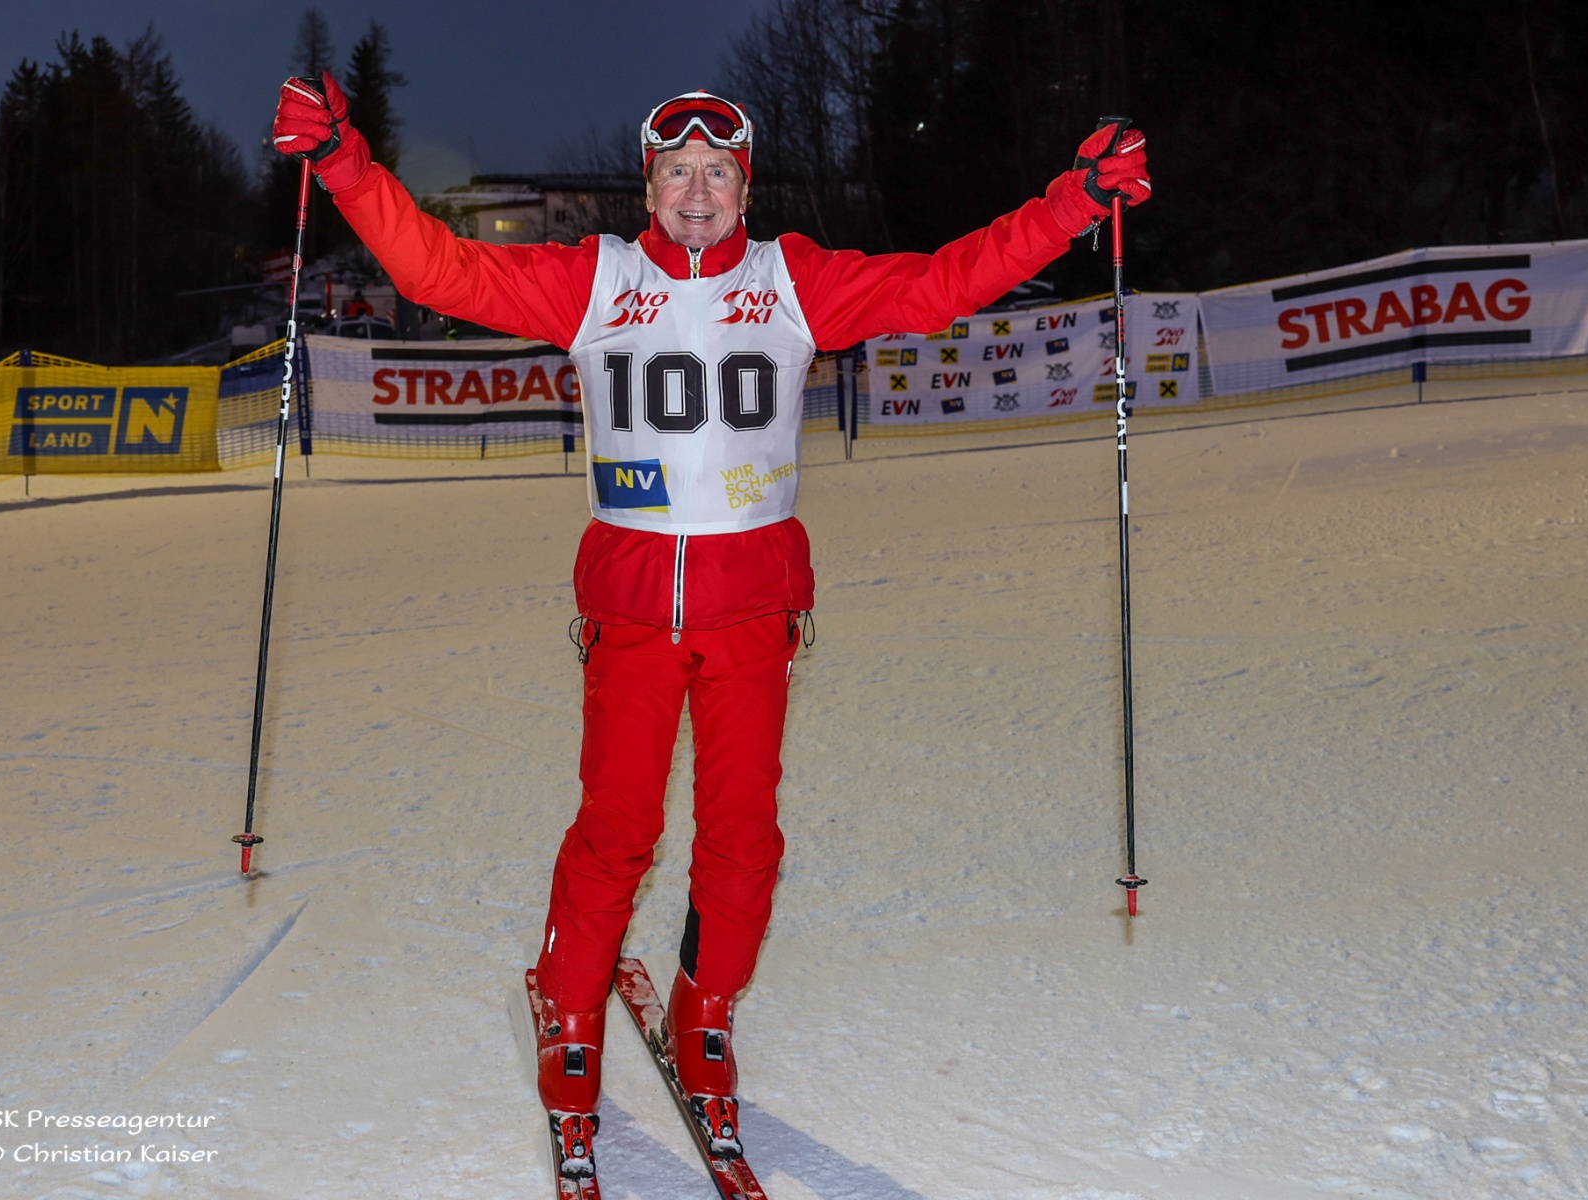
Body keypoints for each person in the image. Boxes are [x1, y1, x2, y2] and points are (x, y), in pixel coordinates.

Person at [273, 78, 1150, 1175]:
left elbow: (943, 283)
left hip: (750, 607)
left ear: (746, 187)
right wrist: (344, 162)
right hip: (633, 606)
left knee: (744, 835)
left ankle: (707, 1008)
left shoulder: (792, 281)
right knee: (619, 828)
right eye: (679, 172)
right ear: (650, 186)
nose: (698, 191)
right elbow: (435, 269)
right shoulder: (598, 279)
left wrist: (1075, 201)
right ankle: (572, 1007)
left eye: (719, 172)